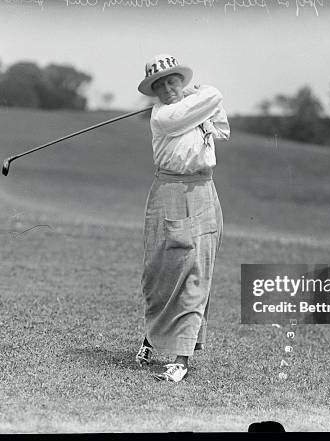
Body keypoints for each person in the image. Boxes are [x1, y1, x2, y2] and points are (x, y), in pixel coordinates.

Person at [135, 54, 230, 382]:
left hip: (203, 191)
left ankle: (181, 358)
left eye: (172, 81)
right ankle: (151, 338)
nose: (168, 89)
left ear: (181, 80)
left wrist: (196, 98)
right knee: (160, 274)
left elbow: (221, 127)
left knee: (196, 274)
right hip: (168, 194)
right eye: (159, 85)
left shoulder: (192, 106)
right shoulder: (164, 117)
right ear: (154, 91)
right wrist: (197, 95)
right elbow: (214, 98)